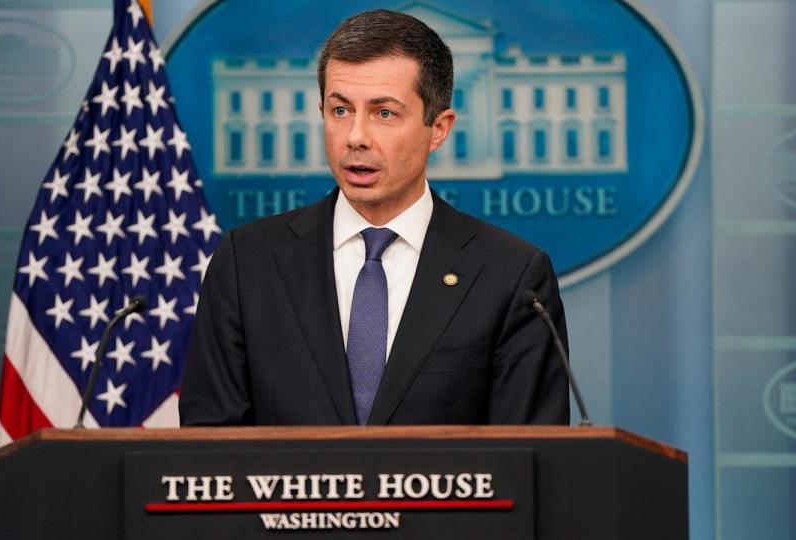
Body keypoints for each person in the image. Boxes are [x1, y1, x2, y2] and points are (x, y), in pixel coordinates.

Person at [178, 9, 568, 426]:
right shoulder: (246, 264)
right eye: (340, 110)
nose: (356, 137)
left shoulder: (511, 276)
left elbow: (530, 460)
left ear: (439, 128)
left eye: (384, 113)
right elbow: (209, 449)